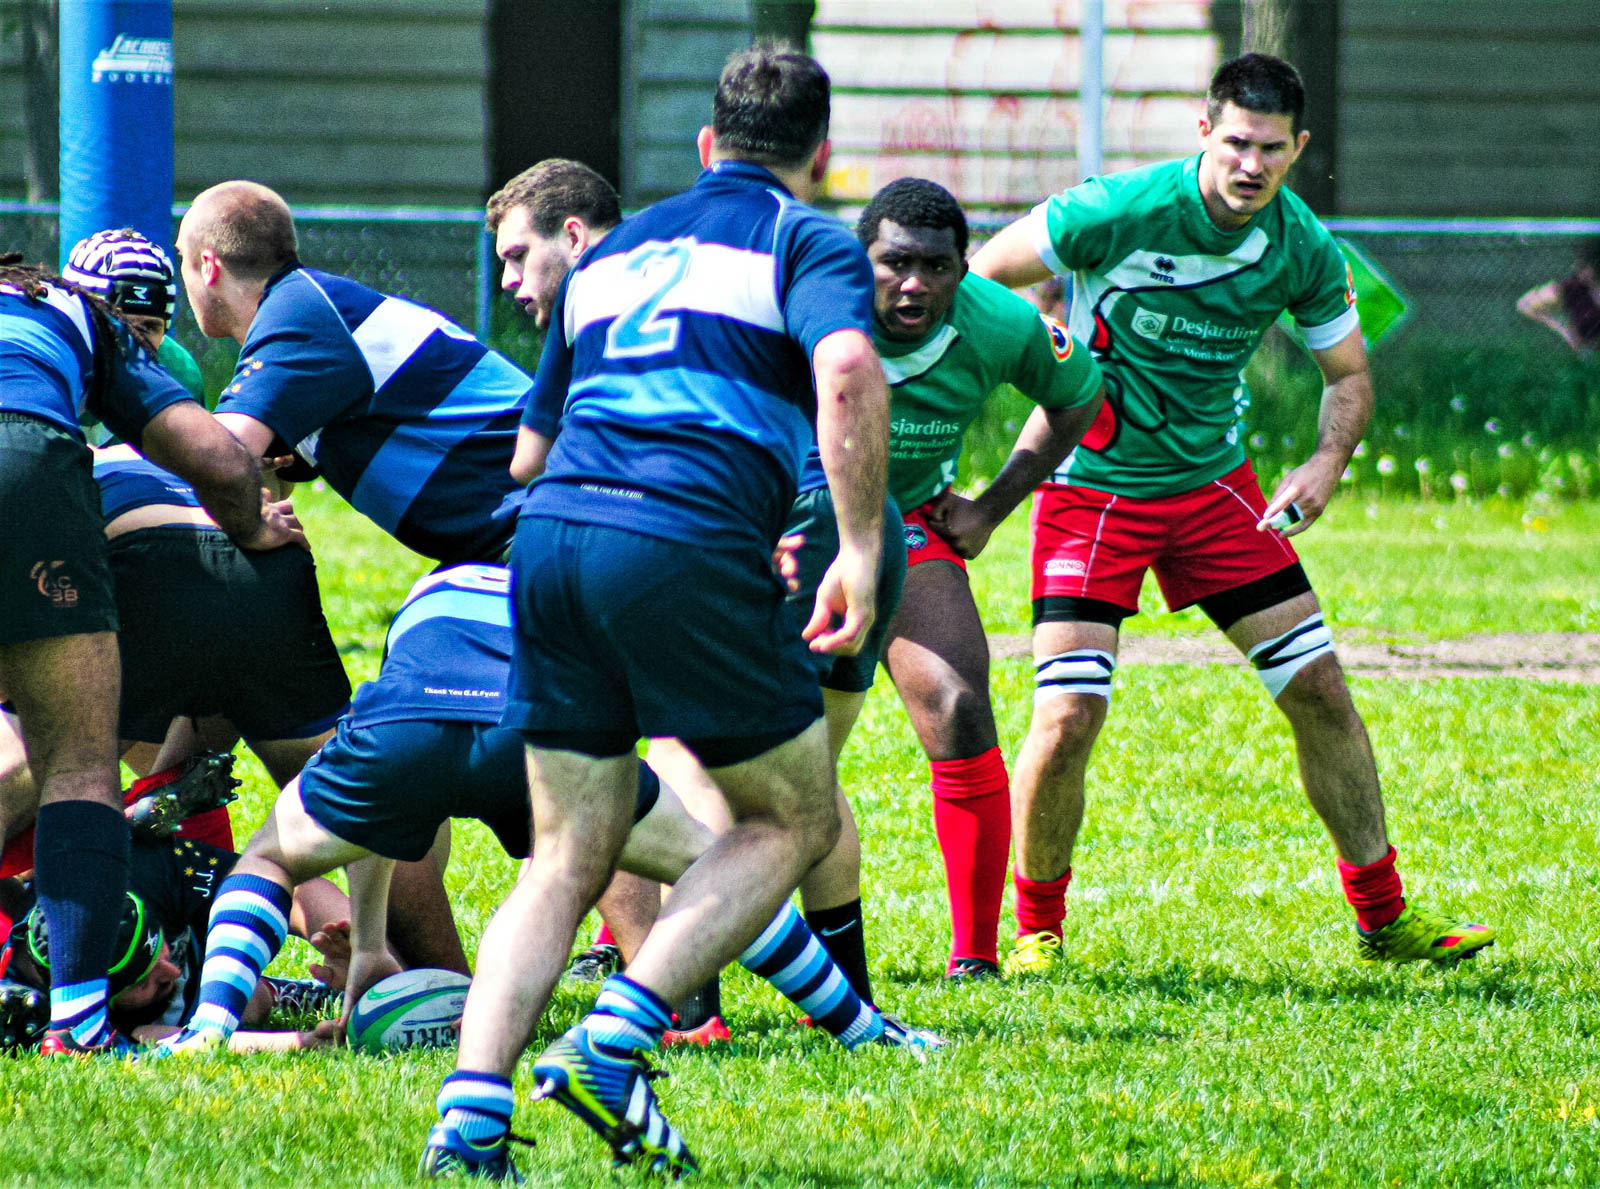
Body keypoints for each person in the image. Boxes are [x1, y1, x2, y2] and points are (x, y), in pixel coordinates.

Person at [424, 47, 890, 1180]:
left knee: (564, 854)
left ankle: (468, 1124)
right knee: (792, 818)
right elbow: (846, 371)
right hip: (677, 539)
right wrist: (861, 547)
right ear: (819, 155)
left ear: (705, 146)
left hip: (550, 542)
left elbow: (529, 450)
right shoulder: (803, 239)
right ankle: (613, 1040)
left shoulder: (614, 252)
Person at [968, 52, 1494, 973]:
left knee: (1320, 689)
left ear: (1299, 148)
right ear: (1205, 132)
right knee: (1070, 713)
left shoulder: (1303, 246)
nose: (1252, 166)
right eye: (1238, 143)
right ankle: (1038, 931)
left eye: (1272, 149)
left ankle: (1384, 919)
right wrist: (1050, 355)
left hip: (1215, 492)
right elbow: (979, 279)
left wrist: (1326, 461)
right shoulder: (1116, 209)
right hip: (1092, 489)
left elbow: (1349, 374)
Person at [155, 563, 935, 1077]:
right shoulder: (565, 589)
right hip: (539, 735)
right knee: (720, 868)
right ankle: (859, 1025)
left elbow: (381, 822)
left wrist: (368, 947)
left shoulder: (432, 588)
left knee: (269, 859)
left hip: (403, 734)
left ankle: (207, 1030)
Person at [486, 158, 905, 1016]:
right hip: (788, 524)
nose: (509, 282)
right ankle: (823, 1006)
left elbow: (530, 458)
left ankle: (655, 1017)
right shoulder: (756, 244)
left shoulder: (612, 270)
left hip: (682, 530)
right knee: (797, 791)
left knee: (648, 796)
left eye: (518, 255)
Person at [0, 253, 301, 1056]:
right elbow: (219, 457)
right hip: (28, 464)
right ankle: (77, 1025)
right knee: (76, 764)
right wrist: (252, 524)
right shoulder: (69, 314)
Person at [851, 178, 1103, 980]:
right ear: (861, 260)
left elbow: (1080, 395)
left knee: (959, 705)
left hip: (909, 522)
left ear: (964, 269)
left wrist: (993, 505)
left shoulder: (1000, 322)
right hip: (791, 526)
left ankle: (975, 956)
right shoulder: (809, 307)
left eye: (935, 266)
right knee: (726, 732)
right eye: (894, 263)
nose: (913, 284)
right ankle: (627, 934)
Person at [175, 180, 534, 564]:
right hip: (526, 527)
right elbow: (269, 482)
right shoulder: (305, 309)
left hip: (539, 523)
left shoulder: (300, 318)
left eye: (182, 256)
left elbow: (219, 457)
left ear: (208, 266)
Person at [0, 832, 352, 1052]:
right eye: (143, 981)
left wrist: (355, 944)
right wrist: (306, 1043)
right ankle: (271, 993)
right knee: (248, 1006)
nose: (170, 970)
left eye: (161, 946)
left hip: (179, 917)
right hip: (146, 1026)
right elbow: (181, 1046)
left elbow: (294, 889)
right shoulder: (42, 1012)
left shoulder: (145, 869)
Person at [63, 227, 208, 405]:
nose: (134, 341)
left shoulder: (180, 373)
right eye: (118, 324)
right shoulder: (45, 364)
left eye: (149, 327)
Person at [1516, 237, 1600, 352]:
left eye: (1585, 267)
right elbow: (1524, 304)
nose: (1580, 270)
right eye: (1581, 267)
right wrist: (1564, 329)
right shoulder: (1571, 288)